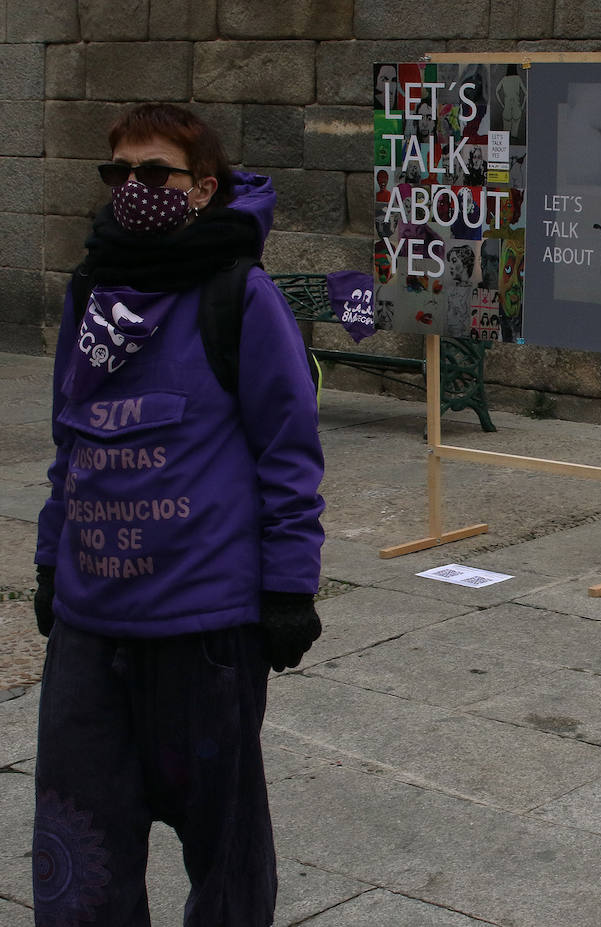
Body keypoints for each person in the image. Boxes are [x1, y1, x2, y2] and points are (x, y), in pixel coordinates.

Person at [30, 103, 325, 927]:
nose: (132, 188)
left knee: (225, 855)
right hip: (92, 626)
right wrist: (53, 560)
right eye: (117, 171)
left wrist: (289, 586)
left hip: (204, 630)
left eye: (153, 172)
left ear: (202, 188)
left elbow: (289, 449)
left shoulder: (240, 294)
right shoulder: (90, 292)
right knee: (83, 851)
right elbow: (70, 436)